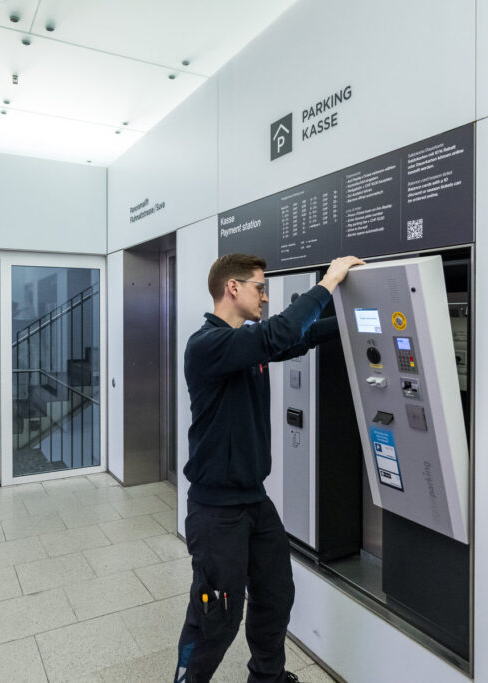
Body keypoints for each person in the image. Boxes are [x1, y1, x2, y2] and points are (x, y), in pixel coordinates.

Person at [174, 253, 365, 683]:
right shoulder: (207, 345)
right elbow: (279, 333)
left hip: (254, 503)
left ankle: (267, 678)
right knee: (216, 617)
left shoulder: (245, 344)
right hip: (216, 511)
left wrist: (357, 321)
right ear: (233, 288)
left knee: (276, 595)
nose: (265, 297)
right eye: (259, 288)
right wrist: (329, 281)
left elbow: (296, 337)